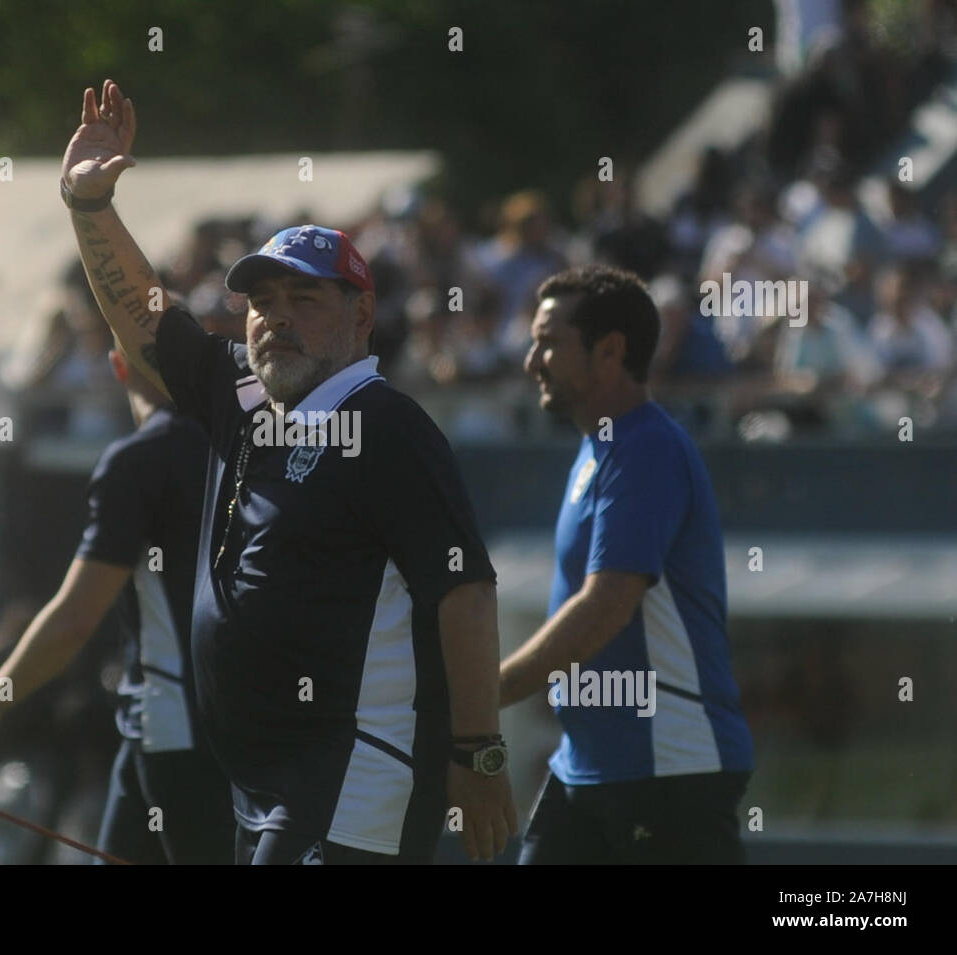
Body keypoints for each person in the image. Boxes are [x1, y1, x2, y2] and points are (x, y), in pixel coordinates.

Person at [58, 79, 515, 864]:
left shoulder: (390, 427)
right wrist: (88, 206)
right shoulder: (246, 394)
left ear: (360, 315)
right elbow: (143, 324)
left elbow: (466, 594)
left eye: (304, 299)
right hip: (263, 786)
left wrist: (479, 756)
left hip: (354, 777)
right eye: (262, 303)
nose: (276, 318)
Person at [499, 266, 754, 864]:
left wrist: (484, 694)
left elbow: (604, 607)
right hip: (588, 768)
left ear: (610, 351)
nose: (533, 359)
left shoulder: (646, 449)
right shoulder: (602, 444)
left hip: (667, 773)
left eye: (549, 341)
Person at [0, 346, 233, 864]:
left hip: (174, 732)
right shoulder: (243, 443)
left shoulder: (140, 459)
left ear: (118, 366)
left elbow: (74, 620)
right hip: (212, 727)